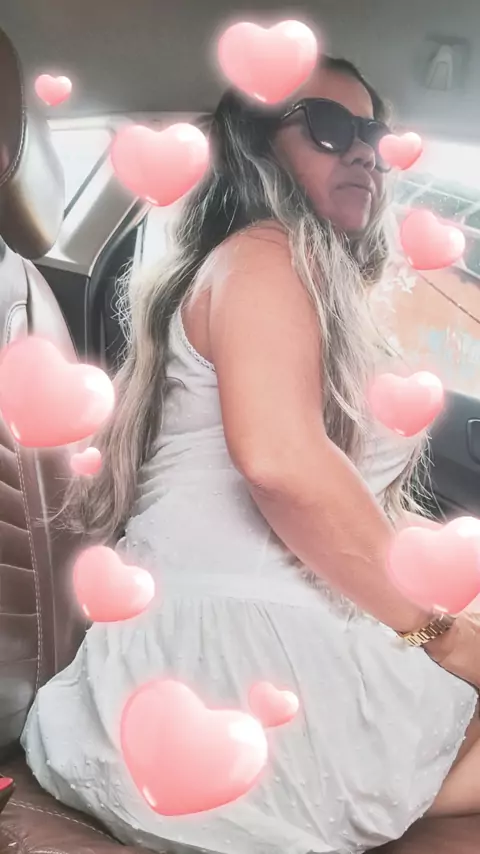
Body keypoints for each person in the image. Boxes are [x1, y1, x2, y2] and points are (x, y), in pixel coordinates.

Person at [22, 55, 480, 854]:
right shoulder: (267, 253)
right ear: (257, 147)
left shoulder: (277, 275)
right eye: (329, 128)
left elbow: (324, 488)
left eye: (374, 134)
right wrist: (444, 635)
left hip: (198, 671)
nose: (364, 151)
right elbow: (280, 464)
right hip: (241, 668)